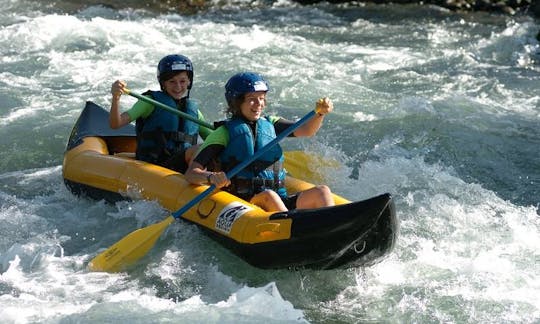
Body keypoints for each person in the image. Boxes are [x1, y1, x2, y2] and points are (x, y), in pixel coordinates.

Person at [184, 72, 335, 212]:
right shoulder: (223, 133)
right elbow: (191, 173)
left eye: (261, 98)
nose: (259, 104)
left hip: (278, 199)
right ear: (236, 103)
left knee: (322, 192)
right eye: (252, 99)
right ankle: (291, 231)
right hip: (244, 203)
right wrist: (211, 177)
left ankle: (333, 230)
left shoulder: (271, 123)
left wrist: (320, 114)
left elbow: (306, 130)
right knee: (269, 196)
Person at [109, 54, 212, 173]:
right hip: (154, 162)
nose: (178, 86)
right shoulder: (149, 102)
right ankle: (196, 176)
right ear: (163, 83)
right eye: (172, 81)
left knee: (211, 149)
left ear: (189, 81)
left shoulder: (194, 112)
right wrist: (116, 97)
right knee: (199, 149)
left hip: (179, 165)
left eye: (182, 81)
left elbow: (214, 140)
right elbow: (115, 124)